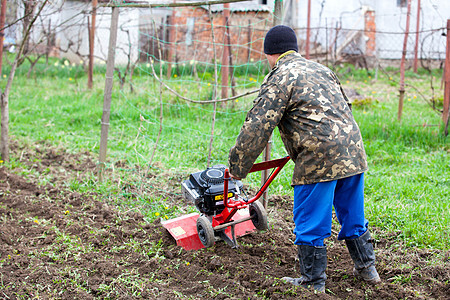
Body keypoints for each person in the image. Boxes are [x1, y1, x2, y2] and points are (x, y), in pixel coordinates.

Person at [227, 25, 380, 293]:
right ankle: (368, 270)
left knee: (310, 221)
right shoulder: (322, 70)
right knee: (353, 215)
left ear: (270, 54)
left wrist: (237, 168)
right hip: (353, 151)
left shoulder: (279, 77)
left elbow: (257, 126)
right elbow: (343, 107)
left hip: (318, 157)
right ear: (294, 49)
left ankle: (313, 283)